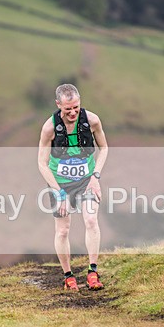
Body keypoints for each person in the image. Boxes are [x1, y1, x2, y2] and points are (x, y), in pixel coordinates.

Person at [37, 83, 108, 290]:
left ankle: (92, 272)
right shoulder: (49, 128)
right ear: (58, 104)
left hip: (87, 181)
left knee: (91, 221)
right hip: (59, 183)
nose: (73, 112)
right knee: (63, 230)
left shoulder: (92, 121)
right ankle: (68, 276)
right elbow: (41, 163)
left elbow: (104, 148)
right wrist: (58, 192)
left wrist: (95, 177)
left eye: (76, 107)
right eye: (68, 109)